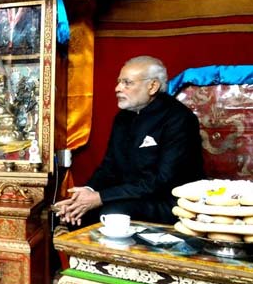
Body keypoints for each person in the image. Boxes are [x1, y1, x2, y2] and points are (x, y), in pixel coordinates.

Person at [54, 55, 205, 227]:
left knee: (111, 215)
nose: (117, 88)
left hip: (169, 202)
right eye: (119, 82)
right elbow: (109, 167)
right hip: (129, 196)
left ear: (152, 86)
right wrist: (87, 193)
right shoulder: (122, 118)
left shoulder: (179, 119)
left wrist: (100, 198)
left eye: (127, 82)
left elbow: (162, 180)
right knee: (74, 215)